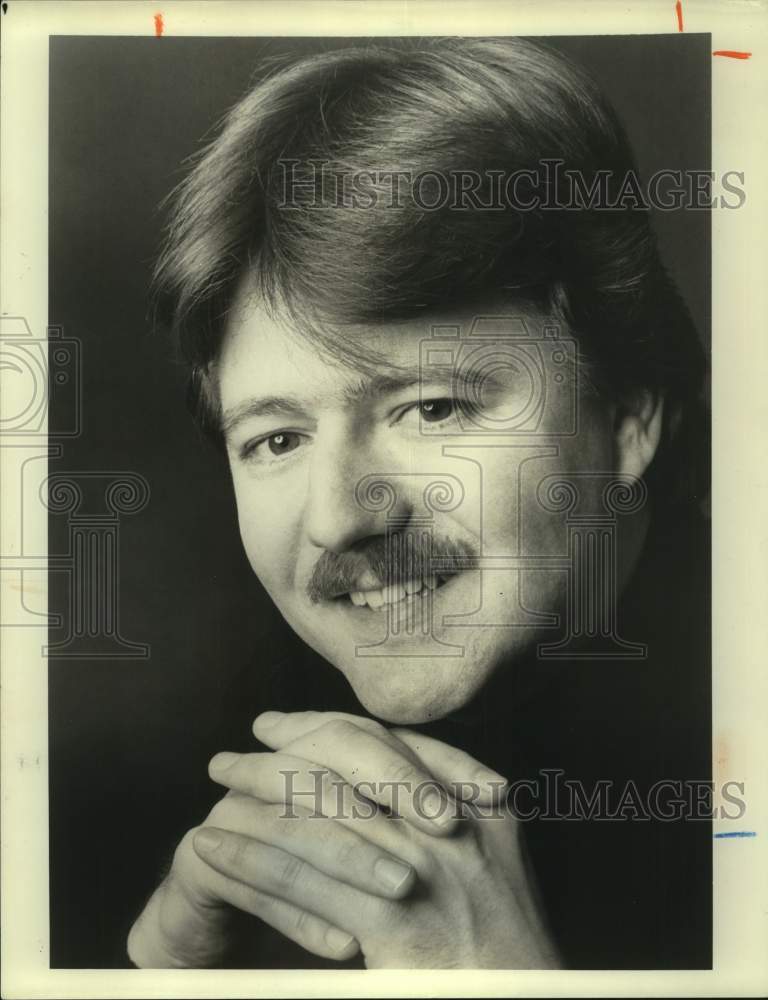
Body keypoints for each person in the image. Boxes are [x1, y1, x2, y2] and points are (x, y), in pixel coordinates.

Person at [127, 37, 710, 969]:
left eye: (431, 406)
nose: (339, 519)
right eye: (275, 438)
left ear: (629, 417)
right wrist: (160, 974)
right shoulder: (240, 767)